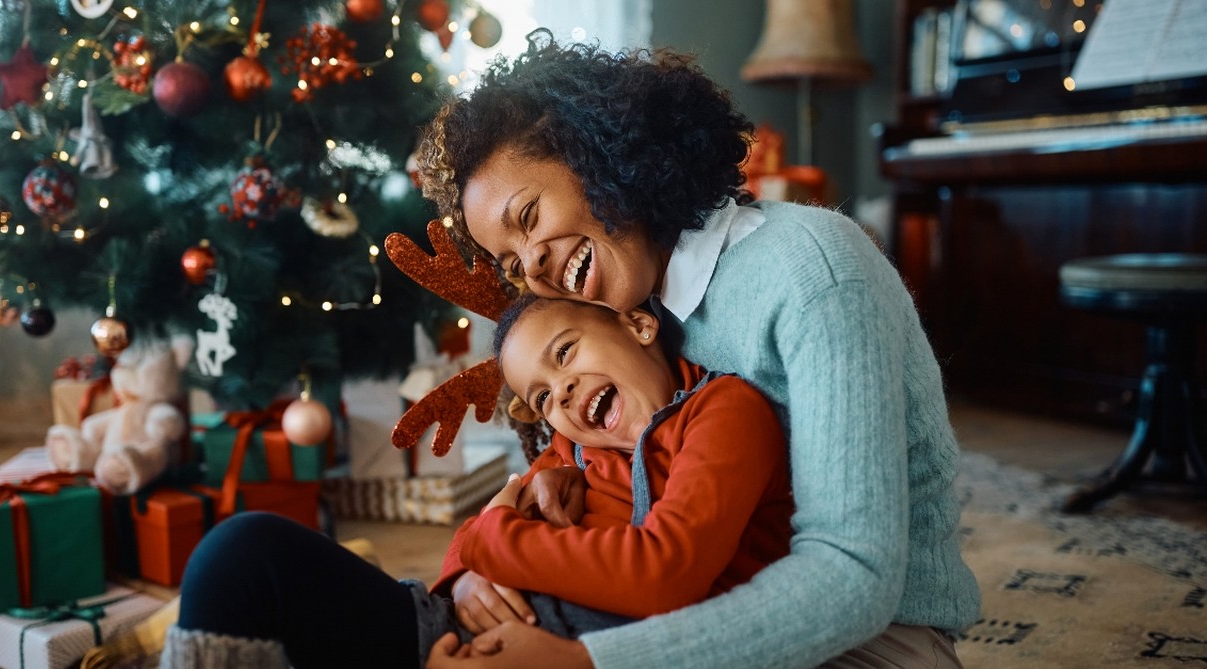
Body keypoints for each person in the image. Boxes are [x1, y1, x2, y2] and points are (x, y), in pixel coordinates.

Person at [416, 30, 980, 669]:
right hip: (698, 604)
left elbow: (854, 579)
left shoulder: (814, 272)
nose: (535, 264)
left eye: (529, 217)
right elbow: (548, 473)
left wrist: (585, 663)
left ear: (593, 155)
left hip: (873, 640)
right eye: (512, 263)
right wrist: (465, 572)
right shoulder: (627, 307)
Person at [160, 293, 794, 668]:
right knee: (239, 552)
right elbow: (471, 539)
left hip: (583, 652)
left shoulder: (723, 410)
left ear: (638, 324)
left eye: (567, 351)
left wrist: (495, 539)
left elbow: (667, 571)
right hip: (455, 633)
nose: (563, 393)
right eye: (542, 398)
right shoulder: (577, 445)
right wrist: (467, 572)